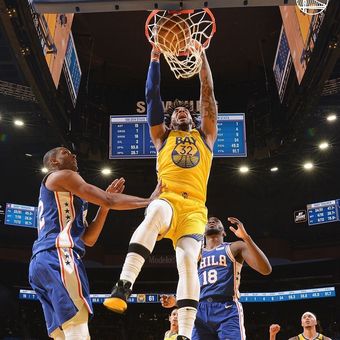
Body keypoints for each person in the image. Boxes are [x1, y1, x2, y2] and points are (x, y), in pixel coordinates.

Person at [103, 45, 218, 340]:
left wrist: (202, 56)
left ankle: (184, 335)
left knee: (188, 260)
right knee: (154, 211)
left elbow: (207, 93)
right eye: (175, 111)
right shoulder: (161, 137)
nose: (180, 111)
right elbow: (152, 95)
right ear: (169, 120)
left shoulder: (206, 137)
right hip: (167, 199)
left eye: (185, 111)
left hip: (194, 209)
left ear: (192, 119)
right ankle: (123, 286)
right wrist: (154, 59)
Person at [29, 147, 161, 340]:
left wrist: (104, 207)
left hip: (41, 262)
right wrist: (150, 201)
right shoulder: (61, 175)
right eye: (65, 153)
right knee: (77, 323)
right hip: (58, 254)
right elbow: (108, 198)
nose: (73, 155)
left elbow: (89, 239)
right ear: (54, 163)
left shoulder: (69, 194)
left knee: (61, 335)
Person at [161, 216, 272, 340]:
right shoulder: (195, 254)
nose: (212, 221)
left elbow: (266, 269)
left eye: (216, 221)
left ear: (223, 232)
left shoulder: (235, 247)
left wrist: (246, 238)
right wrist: (177, 300)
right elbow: (188, 282)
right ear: (202, 232)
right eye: (208, 221)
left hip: (227, 308)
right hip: (199, 311)